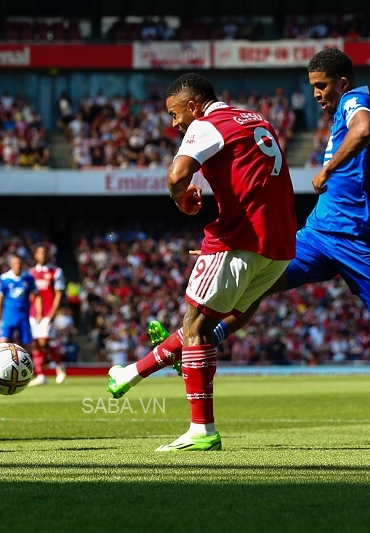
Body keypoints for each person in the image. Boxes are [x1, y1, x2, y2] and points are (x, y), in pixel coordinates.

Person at [108, 48, 370, 444]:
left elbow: (364, 130)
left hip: (361, 240)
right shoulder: (322, 116)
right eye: (313, 87)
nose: (316, 94)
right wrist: (232, 252)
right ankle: (184, 354)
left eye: (321, 86)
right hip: (318, 233)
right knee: (249, 289)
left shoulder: (355, 101)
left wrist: (327, 168)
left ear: (342, 82)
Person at [109, 72, 297, 452]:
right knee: (204, 326)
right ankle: (130, 374)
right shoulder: (257, 120)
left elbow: (177, 175)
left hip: (239, 238)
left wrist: (180, 199)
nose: (174, 123)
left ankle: (202, 430)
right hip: (279, 246)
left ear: (194, 106)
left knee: (194, 327)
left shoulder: (207, 124)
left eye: (174, 114)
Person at [28, 244, 67, 386]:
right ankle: (41, 375)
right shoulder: (31, 273)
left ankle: (59, 364)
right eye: (39, 252)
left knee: (44, 341)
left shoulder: (56, 271)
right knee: (35, 343)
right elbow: (31, 295)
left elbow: (59, 294)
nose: (42, 255)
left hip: (48, 312)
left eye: (44, 252)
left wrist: (53, 312)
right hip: (34, 313)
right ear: (35, 255)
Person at [0, 254, 40, 354]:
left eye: (19, 263)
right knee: (2, 344)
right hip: (8, 317)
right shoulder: (4, 278)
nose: (18, 265)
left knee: (27, 346)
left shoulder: (29, 278)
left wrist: (38, 313)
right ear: (10, 264)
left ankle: (28, 364)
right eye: (15, 263)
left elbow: (37, 296)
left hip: (23, 317)